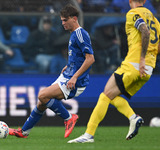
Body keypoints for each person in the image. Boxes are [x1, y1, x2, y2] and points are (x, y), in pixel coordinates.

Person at [68, 0, 160, 143]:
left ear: (130, 1)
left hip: (135, 64)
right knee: (110, 95)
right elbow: (157, 45)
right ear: (144, 1)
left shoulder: (133, 13)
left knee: (105, 96)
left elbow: (145, 31)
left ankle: (88, 135)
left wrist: (141, 58)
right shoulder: (155, 19)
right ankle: (133, 118)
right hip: (148, 68)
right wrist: (147, 60)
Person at [9, 4, 95, 138]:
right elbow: (79, 56)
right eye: (61, 20)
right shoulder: (73, 34)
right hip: (68, 75)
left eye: (65, 20)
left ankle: (68, 118)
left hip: (75, 81)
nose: (63, 23)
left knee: (43, 95)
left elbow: (90, 59)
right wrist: (70, 65)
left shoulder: (80, 33)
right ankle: (24, 131)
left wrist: (75, 77)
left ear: (74, 18)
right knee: (41, 102)